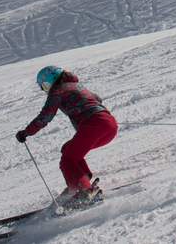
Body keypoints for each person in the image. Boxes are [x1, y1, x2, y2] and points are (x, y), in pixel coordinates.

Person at [16, 66, 118, 208]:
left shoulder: (58, 90)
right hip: (109, 125)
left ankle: (83, 192)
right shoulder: (77, 85)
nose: (44, 90)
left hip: (94, 124)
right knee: (67, 149)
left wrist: (27, 132)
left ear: (52, 79)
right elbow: (97, 99)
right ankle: (83, 178)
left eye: (44, 85)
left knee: (67, 160)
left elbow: (47, 114)